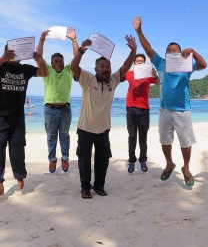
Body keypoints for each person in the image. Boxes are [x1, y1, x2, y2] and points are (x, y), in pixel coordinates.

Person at [132, 16, 207, 186]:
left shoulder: (187, 64)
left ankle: (186, 167)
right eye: (169, 49)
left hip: (183, 110)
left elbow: (203, 65)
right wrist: (139, 31)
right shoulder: (161, 63)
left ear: (181, 52)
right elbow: (148, 47)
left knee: (186, 142)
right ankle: (169, 163)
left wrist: (193, 51)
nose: (172, 51)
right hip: (165, 110)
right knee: (165, 141)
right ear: (166, 53)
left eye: (176, 49)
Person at [70, 35, 137, 199]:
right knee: (84, 161)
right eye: (102, 66)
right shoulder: (87, 79)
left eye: (107, 66)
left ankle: (99, 186)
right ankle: (85, 188)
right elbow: (73, 67)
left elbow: (126, 65)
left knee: (102, 161)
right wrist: (80, 51)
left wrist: (134, 50)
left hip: (103, 129)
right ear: (95, 69)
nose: (105, 69)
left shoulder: (113, 81)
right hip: (85, 129)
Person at [0, 45, 48, 195]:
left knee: (17, 148)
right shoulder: (2, 66)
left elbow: (44, 73)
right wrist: (3, 58)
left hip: (18, 117)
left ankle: (19, 176)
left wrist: (39, 60)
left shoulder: (25, 69)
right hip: (0, 116)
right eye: (13, 51)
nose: (17, 54)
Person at [36, 27, 79, 174]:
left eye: (60, 61)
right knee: (51, 136)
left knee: (65, 135)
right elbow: (38, 56)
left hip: (65, 108)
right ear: (51, 63)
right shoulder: (46, 71)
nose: (59, 63)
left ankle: (65, 158)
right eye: (56, 61)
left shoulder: (68, 71)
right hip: (50, 109)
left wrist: (74, 40)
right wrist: (42, 40)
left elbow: (77, 57)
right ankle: (52, 160)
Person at [123, 53, 159, 173]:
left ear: (144, 63)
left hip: (144, 110)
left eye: (141, 61)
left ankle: (143, 159)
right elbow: (116, 78)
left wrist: (156, 75)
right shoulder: (129, 73)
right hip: (130, 108)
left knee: (143, 138)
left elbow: (159, 84)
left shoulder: (149, 75)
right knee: (132, 137)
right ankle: (131, 160)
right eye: (137, 61)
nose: (139, 62)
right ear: (134, 63)